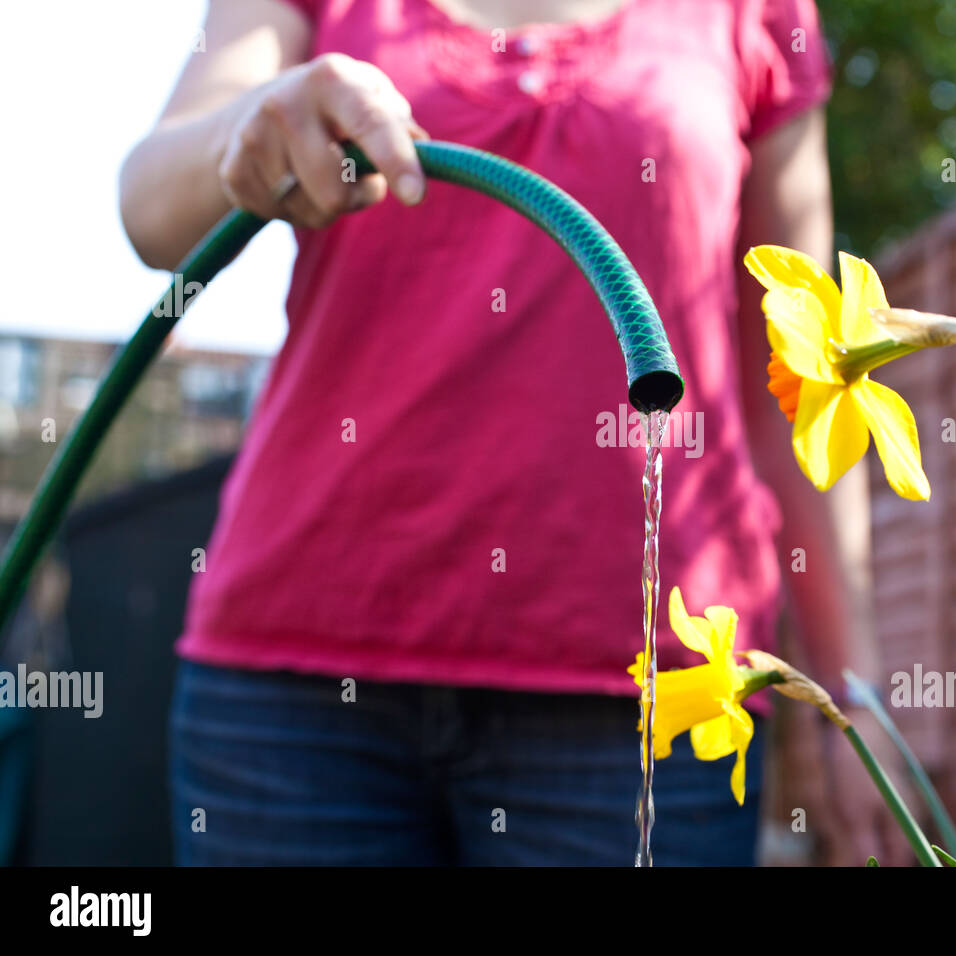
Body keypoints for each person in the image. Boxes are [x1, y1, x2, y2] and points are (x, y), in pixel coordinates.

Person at [120, 0, 902, 866]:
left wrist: (852, 700)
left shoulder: (754, 16)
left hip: (649, 699)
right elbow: (152, 209)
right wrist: (251, 124)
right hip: (301, 692)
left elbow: (801, 379)